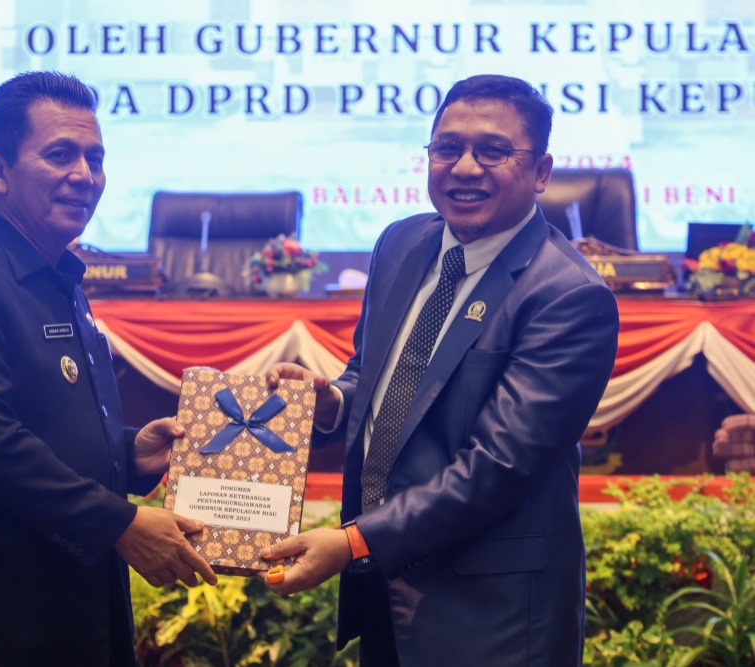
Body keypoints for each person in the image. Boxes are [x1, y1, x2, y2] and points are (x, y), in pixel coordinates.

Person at [260, 74, 620, 666]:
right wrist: (333, 402)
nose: (465, 168)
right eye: (448, 148)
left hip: (491, 618)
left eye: (494, 151)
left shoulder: (567, 295)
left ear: (541, 171)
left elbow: (497, 466)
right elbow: (375, 374)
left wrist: (353, 542)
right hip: (385, 591)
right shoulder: (401, 243)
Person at [0, 71, 216, 666]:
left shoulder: (61, 277)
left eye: (95, 158)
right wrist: (120, 524)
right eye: (60, 155)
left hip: (69, 610)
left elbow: (47, 421)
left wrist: (129, 453)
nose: (85, 175)